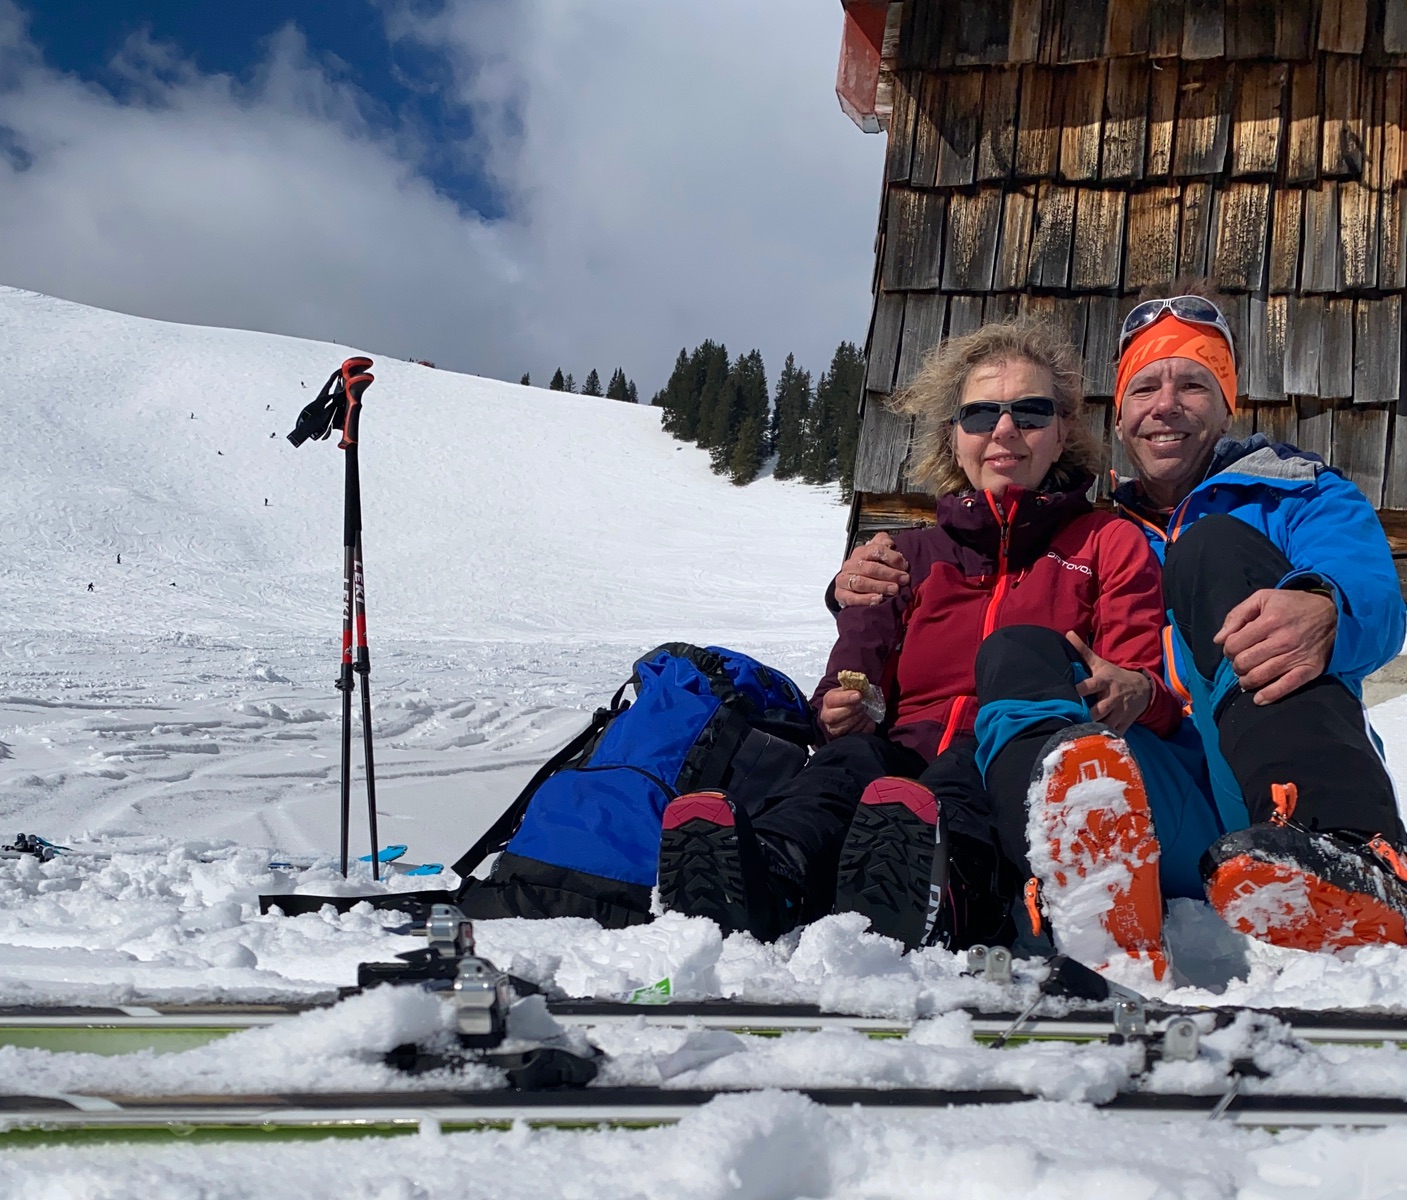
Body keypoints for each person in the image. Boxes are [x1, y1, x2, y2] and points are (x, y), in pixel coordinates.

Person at [835, 284, 1407, 954]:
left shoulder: (1296, 494)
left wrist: (1327, 608)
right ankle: (1077, 900)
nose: (1165, 406)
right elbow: (991, 586)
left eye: (1192, 384)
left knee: (1213, 550)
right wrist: (859, 585)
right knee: (1021, 651)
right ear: (1119, 415)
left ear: (1227, 404)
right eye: (1144, 388)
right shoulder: (1094, 532)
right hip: (1156, 797)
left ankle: (1346, 852)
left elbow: (1376, 599)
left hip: (1271, 783)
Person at [658, 319, 1200, 974]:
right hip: (899, 755)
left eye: (1030, 413)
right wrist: (841, 707)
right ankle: (766, 875)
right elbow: (852, 674)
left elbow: (1143, 682)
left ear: (1062, 431)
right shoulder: (905, 555)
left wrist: (1132, 691)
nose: (1004, 431)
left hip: (1013, 760)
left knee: (960, 776)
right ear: (954, 436)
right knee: (844, 767)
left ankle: (950, 893)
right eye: (980, 414)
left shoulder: (1104, 542)